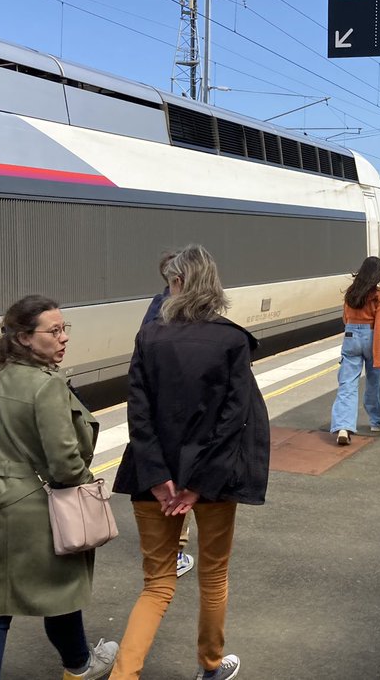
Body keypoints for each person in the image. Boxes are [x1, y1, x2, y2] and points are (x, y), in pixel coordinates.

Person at [0, 295, 119, 680]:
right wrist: (85, 485)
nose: (64, 338)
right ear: (26, 338)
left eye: (65, 329)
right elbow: (64, 462)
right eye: (54, 330)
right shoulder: (46, 386)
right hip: (36, 509)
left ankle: (80, 662)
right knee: (60, 592)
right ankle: (80, 665)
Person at [112, 244, 270, 680]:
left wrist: (160, 477)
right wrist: (197, 483)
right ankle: (210, 665)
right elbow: (234, 420)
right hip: (214, 483)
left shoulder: (148, 338)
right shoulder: (232, 341)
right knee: (214, 575)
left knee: (157, 585)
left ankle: (122, 676)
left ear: (179, 284)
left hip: (151, 479)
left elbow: (138, 414)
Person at [140, 250, 195, 580]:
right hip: (178, 410)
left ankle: (167, 548)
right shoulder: (181, 312)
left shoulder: (153, 308)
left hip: (157, 407)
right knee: (181, 480)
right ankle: (175, 551)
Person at [330, 255, 380, 445]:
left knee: (347, 384)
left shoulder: (351, 293)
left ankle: (343, 427)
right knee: (374, 381)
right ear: (378, 275)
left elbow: (345, 319)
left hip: (351, 337)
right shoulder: (379, 296)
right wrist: (379, 356)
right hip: (372, 337)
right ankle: (376, 421)